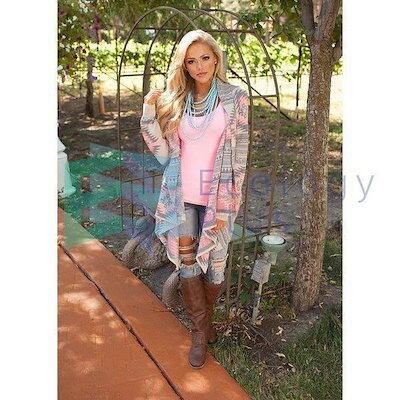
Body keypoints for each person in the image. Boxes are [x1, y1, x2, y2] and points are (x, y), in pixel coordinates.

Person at [140, 29, 249, 369]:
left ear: (216, 59)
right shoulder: (179, 101)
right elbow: (164, 154)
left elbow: (240, 154)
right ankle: (200, 333)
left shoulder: (235, 97)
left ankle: (206, 323)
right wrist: (148, 111)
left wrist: (230, 201)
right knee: (188, 263)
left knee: (215, 266)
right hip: (182, 195)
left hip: (218, 197)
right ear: (184, 66)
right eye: (191, 61)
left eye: (205, 58)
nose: (199, 66)